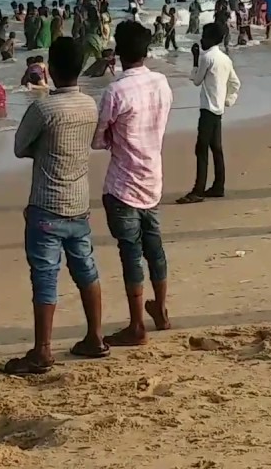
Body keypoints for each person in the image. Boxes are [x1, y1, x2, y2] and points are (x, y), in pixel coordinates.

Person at [1, 37, 108, 375]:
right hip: (79, 201)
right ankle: (95, 337)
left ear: (51, 68)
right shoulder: (91, 105)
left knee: (46, 277)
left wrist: (44, 151)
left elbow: (20, 147)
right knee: (86, 270)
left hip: (47, 203)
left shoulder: (44, 108)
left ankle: (42, 350)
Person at [91, 21, 174, 347]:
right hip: (153, 176)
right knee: (154, 248)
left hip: (123, 182)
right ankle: (162, 311)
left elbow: (98, 139)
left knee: (130, 252)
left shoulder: (116, 90)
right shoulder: (162, 82)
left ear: (118, 52)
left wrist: (114, 137)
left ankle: (137, 324)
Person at [178, 23, 240, 204]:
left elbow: (197, 81)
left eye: (204, 36)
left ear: (211, 39)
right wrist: (228, 100)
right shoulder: (225, 59)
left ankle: (198, 190)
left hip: (207, 109)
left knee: (202, 149)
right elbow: (235, 83)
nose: (201, 39)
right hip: (218, 108)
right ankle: (218, 185)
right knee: (216, 148)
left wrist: (196, 59)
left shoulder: (207, 58)